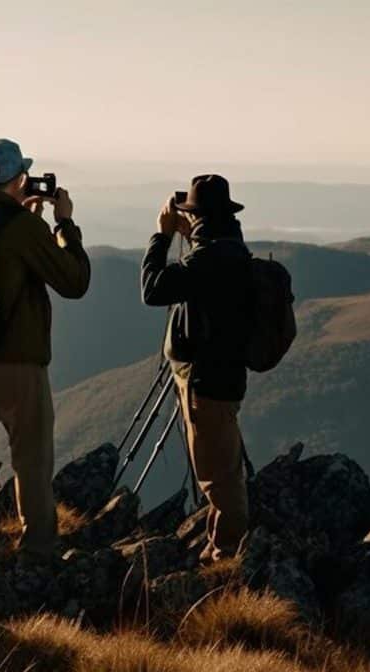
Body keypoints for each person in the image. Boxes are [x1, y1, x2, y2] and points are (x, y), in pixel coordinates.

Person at [0, 138, 91, 562]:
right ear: (19, 178)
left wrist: (22, 221)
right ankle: (39, 549)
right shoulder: (23, 228)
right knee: (31, 456)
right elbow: (74, 281)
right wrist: (63, 226)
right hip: (15, 360)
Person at [141, 174, 253, 564]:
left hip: (206, 382)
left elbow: (153, 289)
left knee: (215, 474)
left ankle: (229, 556)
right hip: (223, 376)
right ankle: (218, 543)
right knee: (221, 463)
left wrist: (162, 236)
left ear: (198, 216)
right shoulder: (231, 251)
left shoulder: (208, 260)